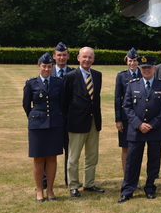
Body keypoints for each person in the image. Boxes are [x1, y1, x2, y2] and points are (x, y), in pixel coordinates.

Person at [118, 56, 161, 203]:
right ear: (140, 69)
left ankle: (150, 187)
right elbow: (127, 106)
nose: (146, 70)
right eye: (144, 68)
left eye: (149, 67)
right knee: (132, 161)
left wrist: (153, 124)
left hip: (155, 129)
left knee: (154, 161)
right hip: (136, 130)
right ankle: (128, 190)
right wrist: (138, 124)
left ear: (154, 69)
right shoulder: (132, 85)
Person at [23, 53, 65, 202]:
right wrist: (36, 117)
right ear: (39, 66)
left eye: (49, 66)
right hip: (37, 125)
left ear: (52, 67)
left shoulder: (59, 83)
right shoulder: (31, 83)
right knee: (38, 158)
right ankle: (39, 190)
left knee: (52, 158)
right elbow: (27, 105)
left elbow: (62, 103)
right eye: (44, 66)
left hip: (55, 124)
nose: (46, 69)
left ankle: (51, 190)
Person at [63, 47, 104, 197]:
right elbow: (65, 101)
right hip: (76, 122)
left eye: (90, 57)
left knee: (92, 156)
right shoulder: (70, 76)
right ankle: (73, 185)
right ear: (78, 58)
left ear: (93, 59)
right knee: (73, 157)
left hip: (94, 121)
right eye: (84, 57)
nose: (87, 60)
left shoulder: (97, 75)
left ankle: (89, 183)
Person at [114, 47, 140, 175]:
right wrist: (118, 119)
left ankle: (135, 176)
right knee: (126, 147)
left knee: (137, 149)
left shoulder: (143, 74)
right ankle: (127, 176)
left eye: (135, 61)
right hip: (125, 117)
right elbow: (118, 99)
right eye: (130, 60)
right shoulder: (121, 76)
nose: (132, 63)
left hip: (140, 117)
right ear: (126, 61)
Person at [52, 41, 74, 187]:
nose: (61, 58)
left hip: (69, 119)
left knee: (70, 151)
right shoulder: (47, 71)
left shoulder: (74, 73)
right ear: (54, 56)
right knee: (49, 151)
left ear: (68, 56)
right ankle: (46, 181)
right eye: (59, 55)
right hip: (52, 119)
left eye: (64, 55)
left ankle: (69, 179)